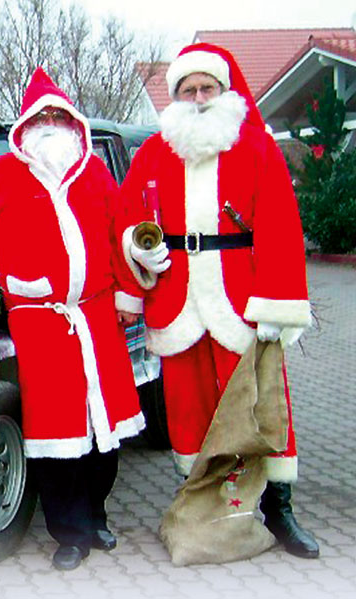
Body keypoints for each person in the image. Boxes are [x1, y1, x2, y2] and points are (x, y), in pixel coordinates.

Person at [117, 43, 319, 558]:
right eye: (189, 90)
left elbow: (279, 227)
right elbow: (127, 216)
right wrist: (139, 250)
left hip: (241, 297)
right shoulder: (155, 152)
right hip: (177, 298)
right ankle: (202, 503)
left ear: (224, 91)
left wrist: (277, 305)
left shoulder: (255, 147)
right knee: (188, 409)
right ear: (176, 97)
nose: (200, 97)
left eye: (208, 87)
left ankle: (279, 507)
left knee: (260, 406)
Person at [0, 68, 145, 570]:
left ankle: (96, 515)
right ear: (28, 123)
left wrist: (127, 293)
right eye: (42, 116)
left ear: (72, 121)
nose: (50, 123)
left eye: (59, 114)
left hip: (97, 319)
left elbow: (122, 233)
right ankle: (69, 532)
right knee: (58, 437)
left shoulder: (93, 171)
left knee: (105, 432)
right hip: (41, 324)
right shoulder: (0, 176)